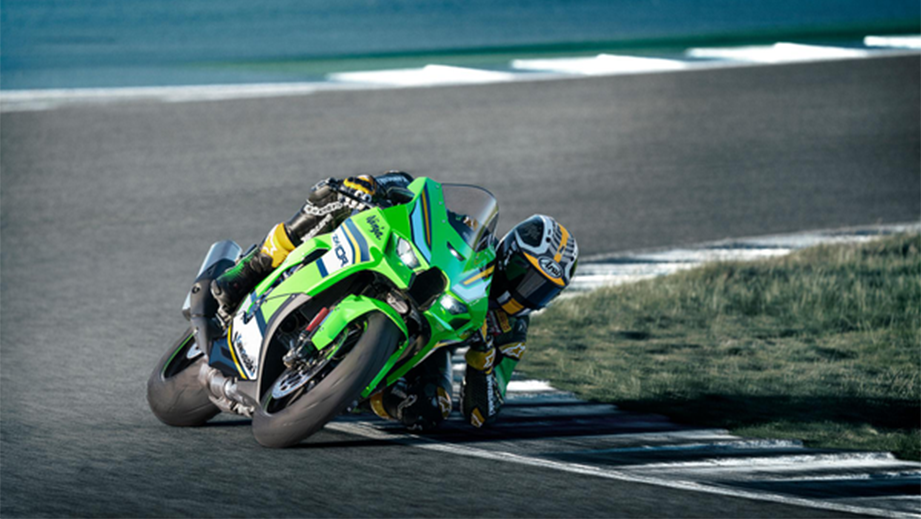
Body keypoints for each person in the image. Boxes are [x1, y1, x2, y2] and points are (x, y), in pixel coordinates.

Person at [211, 171, 579, 430]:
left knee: (429, 411)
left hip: (428, 346)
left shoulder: (512, 332)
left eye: (541, 289)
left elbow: (483, 411)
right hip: (403, 279)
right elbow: (418, 194)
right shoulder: (474, 240)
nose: (524, 292)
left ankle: (350, 388)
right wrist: (381, 187)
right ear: (509, 254)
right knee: (337, 197)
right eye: (523, 276)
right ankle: (252, 266)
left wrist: (482, 355)